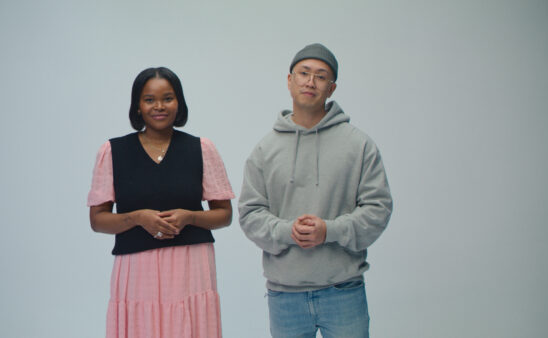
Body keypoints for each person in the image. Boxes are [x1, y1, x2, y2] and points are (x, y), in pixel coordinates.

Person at [238, 43, 393, 338]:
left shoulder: (359, 145)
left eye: (321, 76)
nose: (311, 82)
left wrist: (329, 230)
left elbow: (378, 210)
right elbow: (249, 213)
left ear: (332, 88)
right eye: (304, 73)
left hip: (343, 290)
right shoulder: (264, 149)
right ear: (289, 80)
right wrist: (287, 231)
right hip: (285, 296)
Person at [87, 67, 234, 338]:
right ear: (138, 106)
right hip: (136, 268)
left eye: (167, 98)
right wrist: (138, 218)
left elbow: (224, 214)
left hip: (191, 265)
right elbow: (97, 220)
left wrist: (189, 217)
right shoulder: (113, 151)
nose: (159, 106)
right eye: (149, 99)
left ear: (179, 103)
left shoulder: (202, 148)